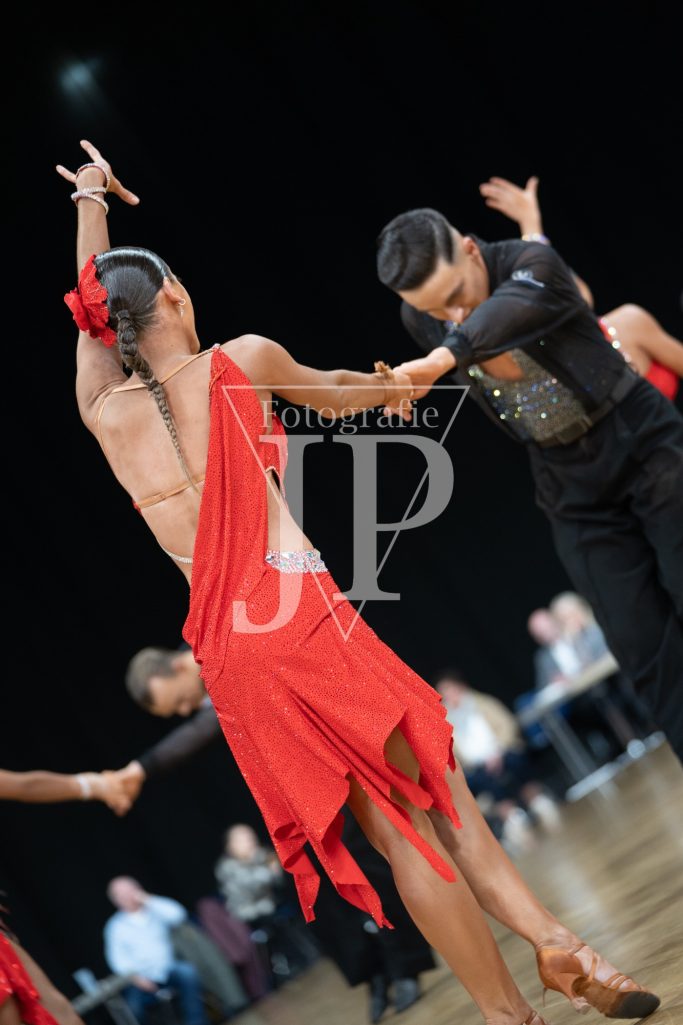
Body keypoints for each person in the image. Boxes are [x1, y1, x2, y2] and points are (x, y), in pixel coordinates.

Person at [57, 139, 661, 1025]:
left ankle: (520, 1006)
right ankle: (553, 948)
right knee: (441, 799)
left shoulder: (102, 413)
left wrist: (90, 202)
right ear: (177, 296)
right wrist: (391, 387)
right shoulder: (238, 362)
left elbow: (89, 313)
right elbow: (337, 393)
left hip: (233, 661)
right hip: (301, 619)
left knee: (395, 831)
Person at [377, 205, 683, 773]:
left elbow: (501, 318)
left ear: (472, 249)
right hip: (566, 479)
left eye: (455, 294)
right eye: (434, 310)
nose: (452, 314)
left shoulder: (532, 264)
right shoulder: (421, 318)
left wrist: (439, 359)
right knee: (639, 642)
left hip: (638, 440)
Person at [118, 646, 433, 1019]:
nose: (185, 710)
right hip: (287, 794)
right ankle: (372, 975)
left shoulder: (225, 660)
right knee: (320, 893)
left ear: (178, 667)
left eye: (179, 701)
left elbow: (202, 729)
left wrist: (140, 769)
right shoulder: (209, 689)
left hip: (328, 776)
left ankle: (406, 966)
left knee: (370, 871)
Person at [479, 174, 683, 400]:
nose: (566, 286)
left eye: (563, 278)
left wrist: (532, 227)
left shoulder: (628, 322)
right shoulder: (555, 375)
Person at [434, 671, 561, 848]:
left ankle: (537, 801)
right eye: (445, 692)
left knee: (516, 763)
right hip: (477, 766)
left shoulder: (483, 703)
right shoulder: (445, 721)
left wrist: (498, 751)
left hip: (502, 750)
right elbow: (452, 753)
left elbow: (507, 725)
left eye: (451, 689)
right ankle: (512, 816)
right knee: (484, 780)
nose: (449, 695)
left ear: (461, 687)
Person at [103, 878, 209, 1025]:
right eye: (122, 894)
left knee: (188, 973)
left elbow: (178, 915)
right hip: (139, 978)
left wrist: (148, 899)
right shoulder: (115, 927)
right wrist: (138, 979)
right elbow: (117, 960)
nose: (128, 896)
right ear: (115, 900)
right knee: (133, 1008)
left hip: (168, 969)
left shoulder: (155, 910)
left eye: (130, 890)